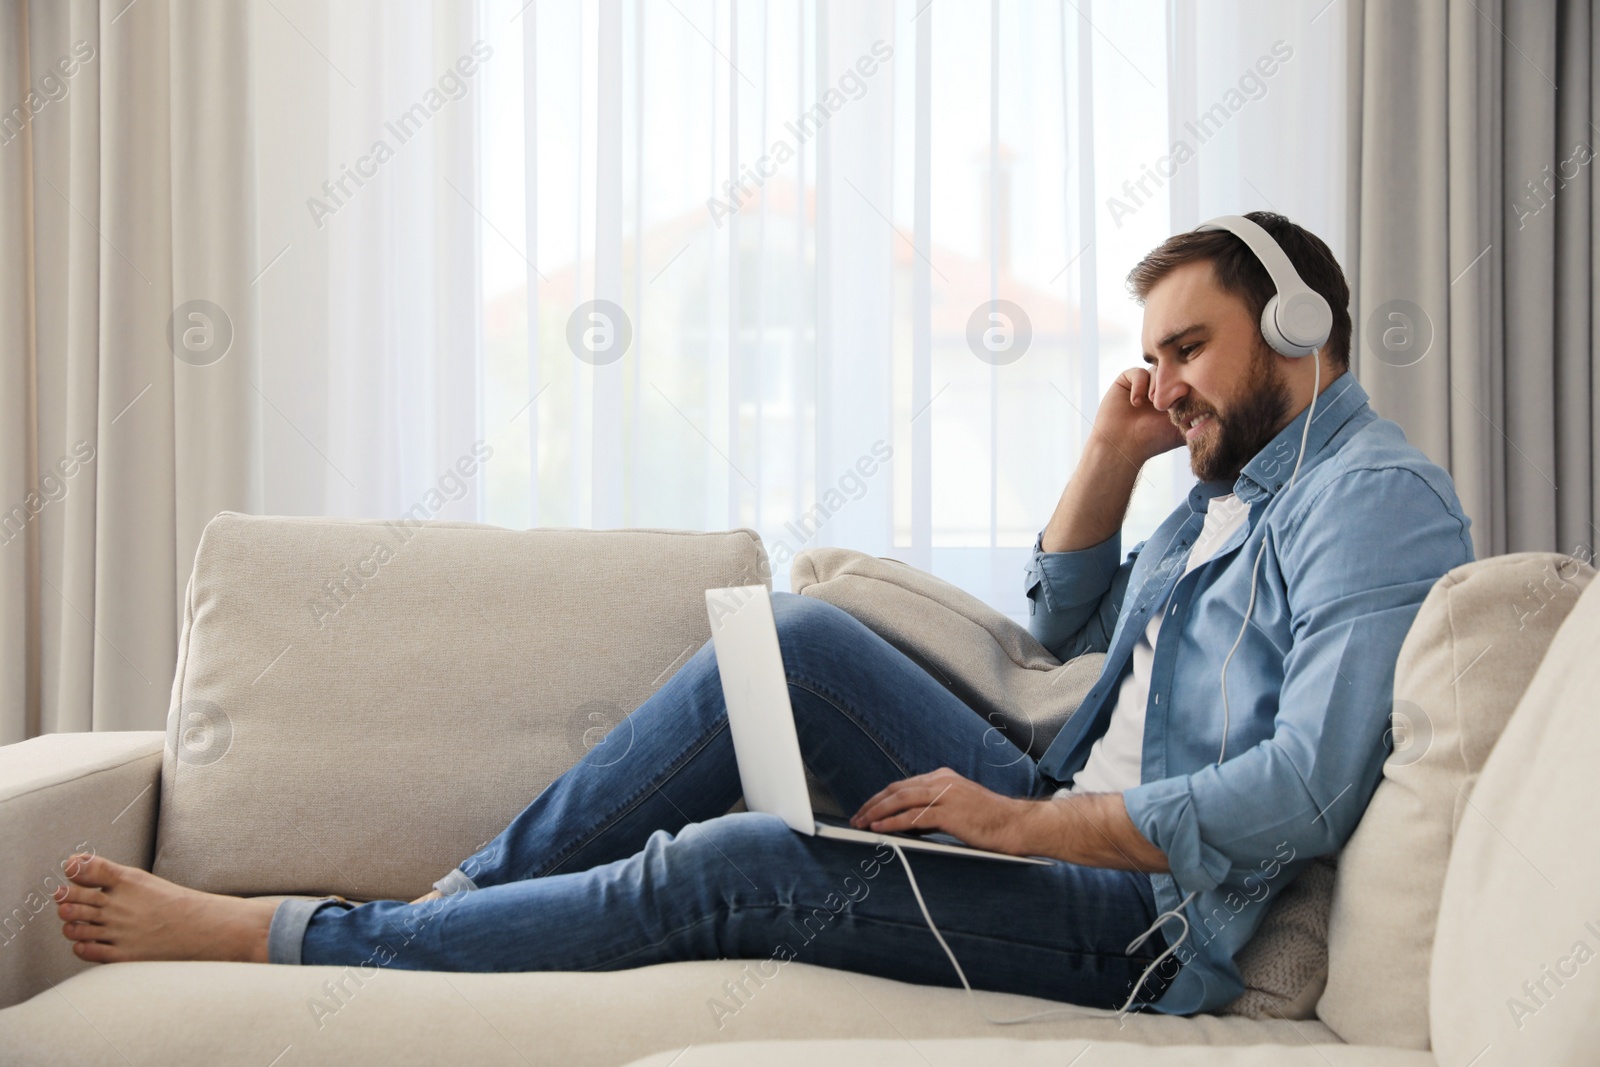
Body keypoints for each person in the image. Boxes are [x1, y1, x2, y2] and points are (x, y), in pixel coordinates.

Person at [53, 212, 1473, 1015]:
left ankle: (300, 939)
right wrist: (1113, 453)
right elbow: (1067, 627)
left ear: (1299, 329)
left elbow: (1304, 785)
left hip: (1146, 914)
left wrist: (1031, 830)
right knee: (786, 645)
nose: (1165, 383)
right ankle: (454, 910)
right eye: (1149, 355)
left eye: (1188, 350)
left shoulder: (1371, 500)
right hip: (1064, 808)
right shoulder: (1226, 481)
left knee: (730, 861)